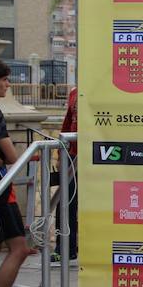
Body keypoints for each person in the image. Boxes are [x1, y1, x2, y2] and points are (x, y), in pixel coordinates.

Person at [0, 59, 31, 287]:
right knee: (19, 248)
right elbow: (12, 155)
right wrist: (2, 157)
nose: (8, 84)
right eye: (4, 79)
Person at [53, 85, 78, 267]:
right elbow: (67, 124)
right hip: (72, 156)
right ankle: (64, 250)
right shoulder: (74, 92)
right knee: (65, 202)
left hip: (98, 156)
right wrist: (61, 155)